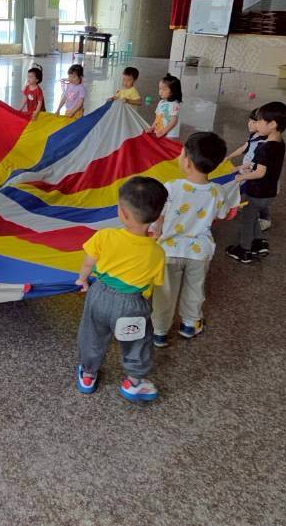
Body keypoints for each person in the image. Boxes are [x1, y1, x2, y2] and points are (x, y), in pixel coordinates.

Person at [74, 176, 168, 402]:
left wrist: (83, 280)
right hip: (132, 304)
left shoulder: (105, 236)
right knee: (137, 342)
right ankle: (134, 382)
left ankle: (87, 375)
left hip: (99, 295)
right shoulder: (157, 252)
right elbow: (152, 285)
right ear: (157, 217)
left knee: (92, 335)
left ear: (122, 213)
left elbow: (88, 263)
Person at [150, 132, 231, 347]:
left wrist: (156, 232)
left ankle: (159, 331)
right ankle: (189, 324)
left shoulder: (171, 187)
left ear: (186, 162)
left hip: (169, 250)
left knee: (164, 292)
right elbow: (222, 214)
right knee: (195, 289)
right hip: (200, 252)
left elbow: (159, 216)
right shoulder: (217, 191)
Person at [227, 101, 286, 264]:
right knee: (253, 215)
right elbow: (258, 163)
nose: (257, 124)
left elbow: (259, 172)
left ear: (272, 124)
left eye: (260, 121)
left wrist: (241, 177)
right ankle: (259, 242)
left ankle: (244, 250)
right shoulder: (280, 143)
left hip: (257, 192)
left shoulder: (264, 147)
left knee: (247, 220)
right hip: (270, 192)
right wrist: (239, 167)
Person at [226, 108, 271, 231]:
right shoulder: (254, 136)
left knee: (259, 197)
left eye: (254, 122)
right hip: (247, 171)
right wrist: (229, 157)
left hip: (256, 174)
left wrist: (239, 167)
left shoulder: (264, 143)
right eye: (249, 121)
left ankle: (265, 218)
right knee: (244, 189)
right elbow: (244, 148)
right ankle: (241, 205)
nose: (250, 124)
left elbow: (255, 163)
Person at [149, 75, 183, 139]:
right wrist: (152, 127)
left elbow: (173, 121)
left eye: (164, 89)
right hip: (159, 131)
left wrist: (163, 132)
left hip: (169, 134)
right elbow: (157, 117)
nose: (160, 91)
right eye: (160, 88)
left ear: (173, 91)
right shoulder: (161, 102)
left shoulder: (174, 104)